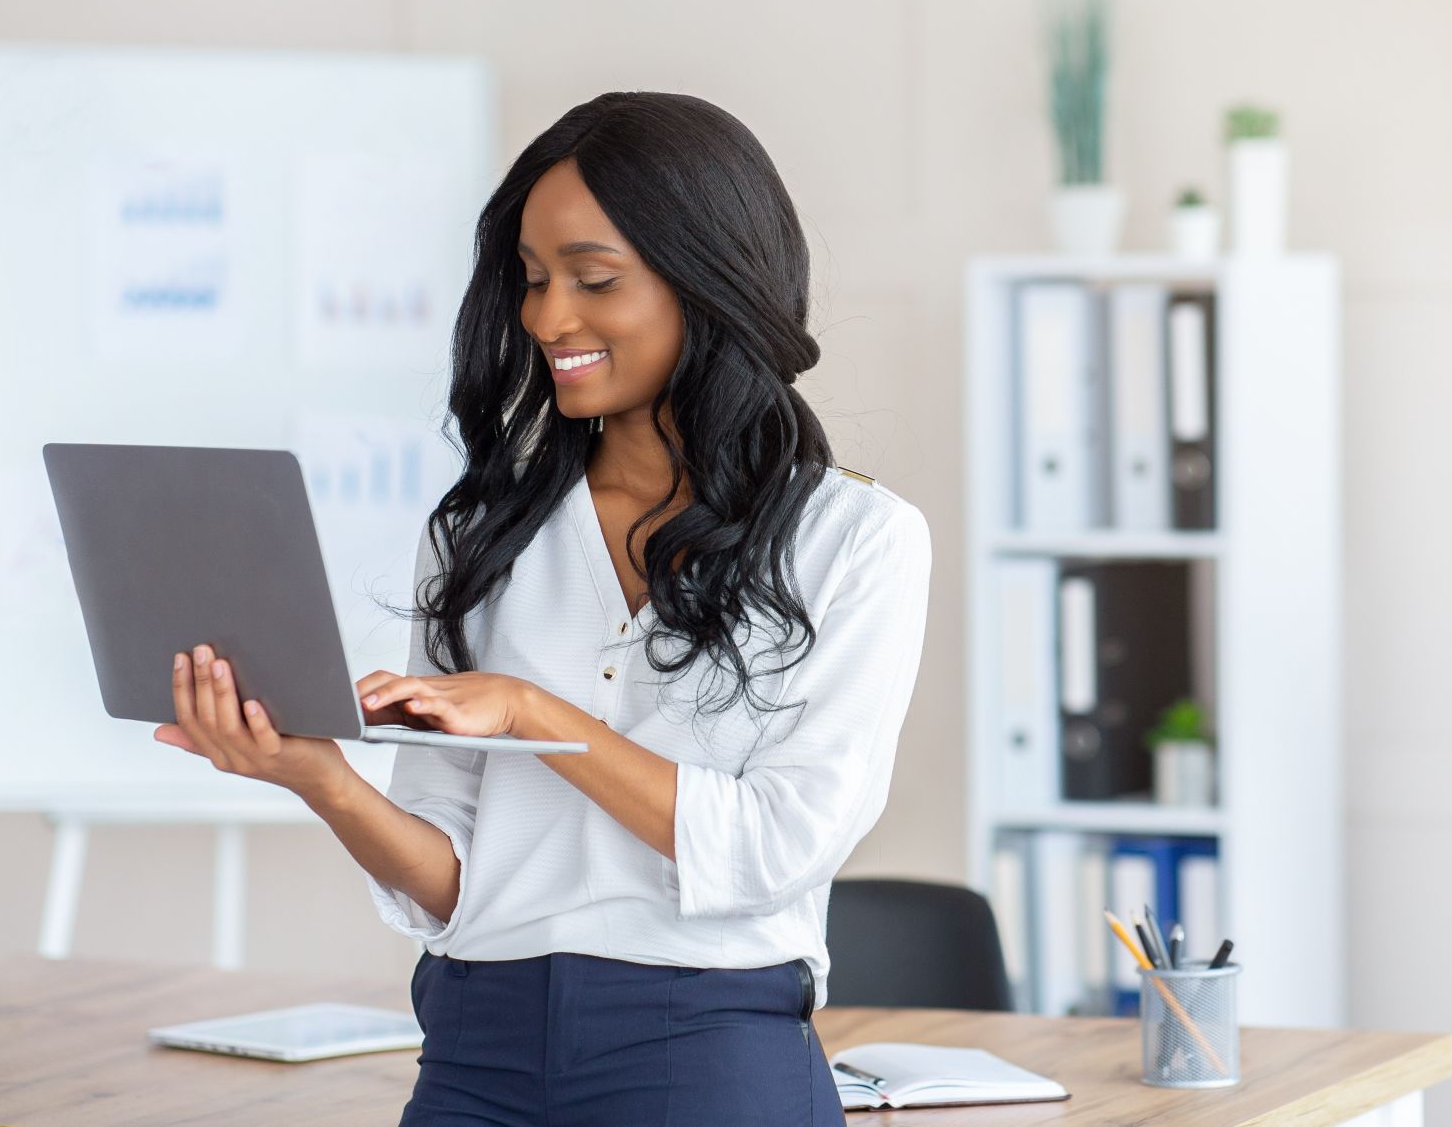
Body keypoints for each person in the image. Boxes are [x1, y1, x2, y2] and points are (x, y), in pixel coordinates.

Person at [154, 90, 932, 1127]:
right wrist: (319, 776)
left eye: (592, 279)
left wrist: (534, 713)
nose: (546, 317)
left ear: (711, 281)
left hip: (704, 1050)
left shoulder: (854, 542)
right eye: (530, 279)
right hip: (478, 1049)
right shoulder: (482, 535)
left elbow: (772, 849)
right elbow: (451, 881)